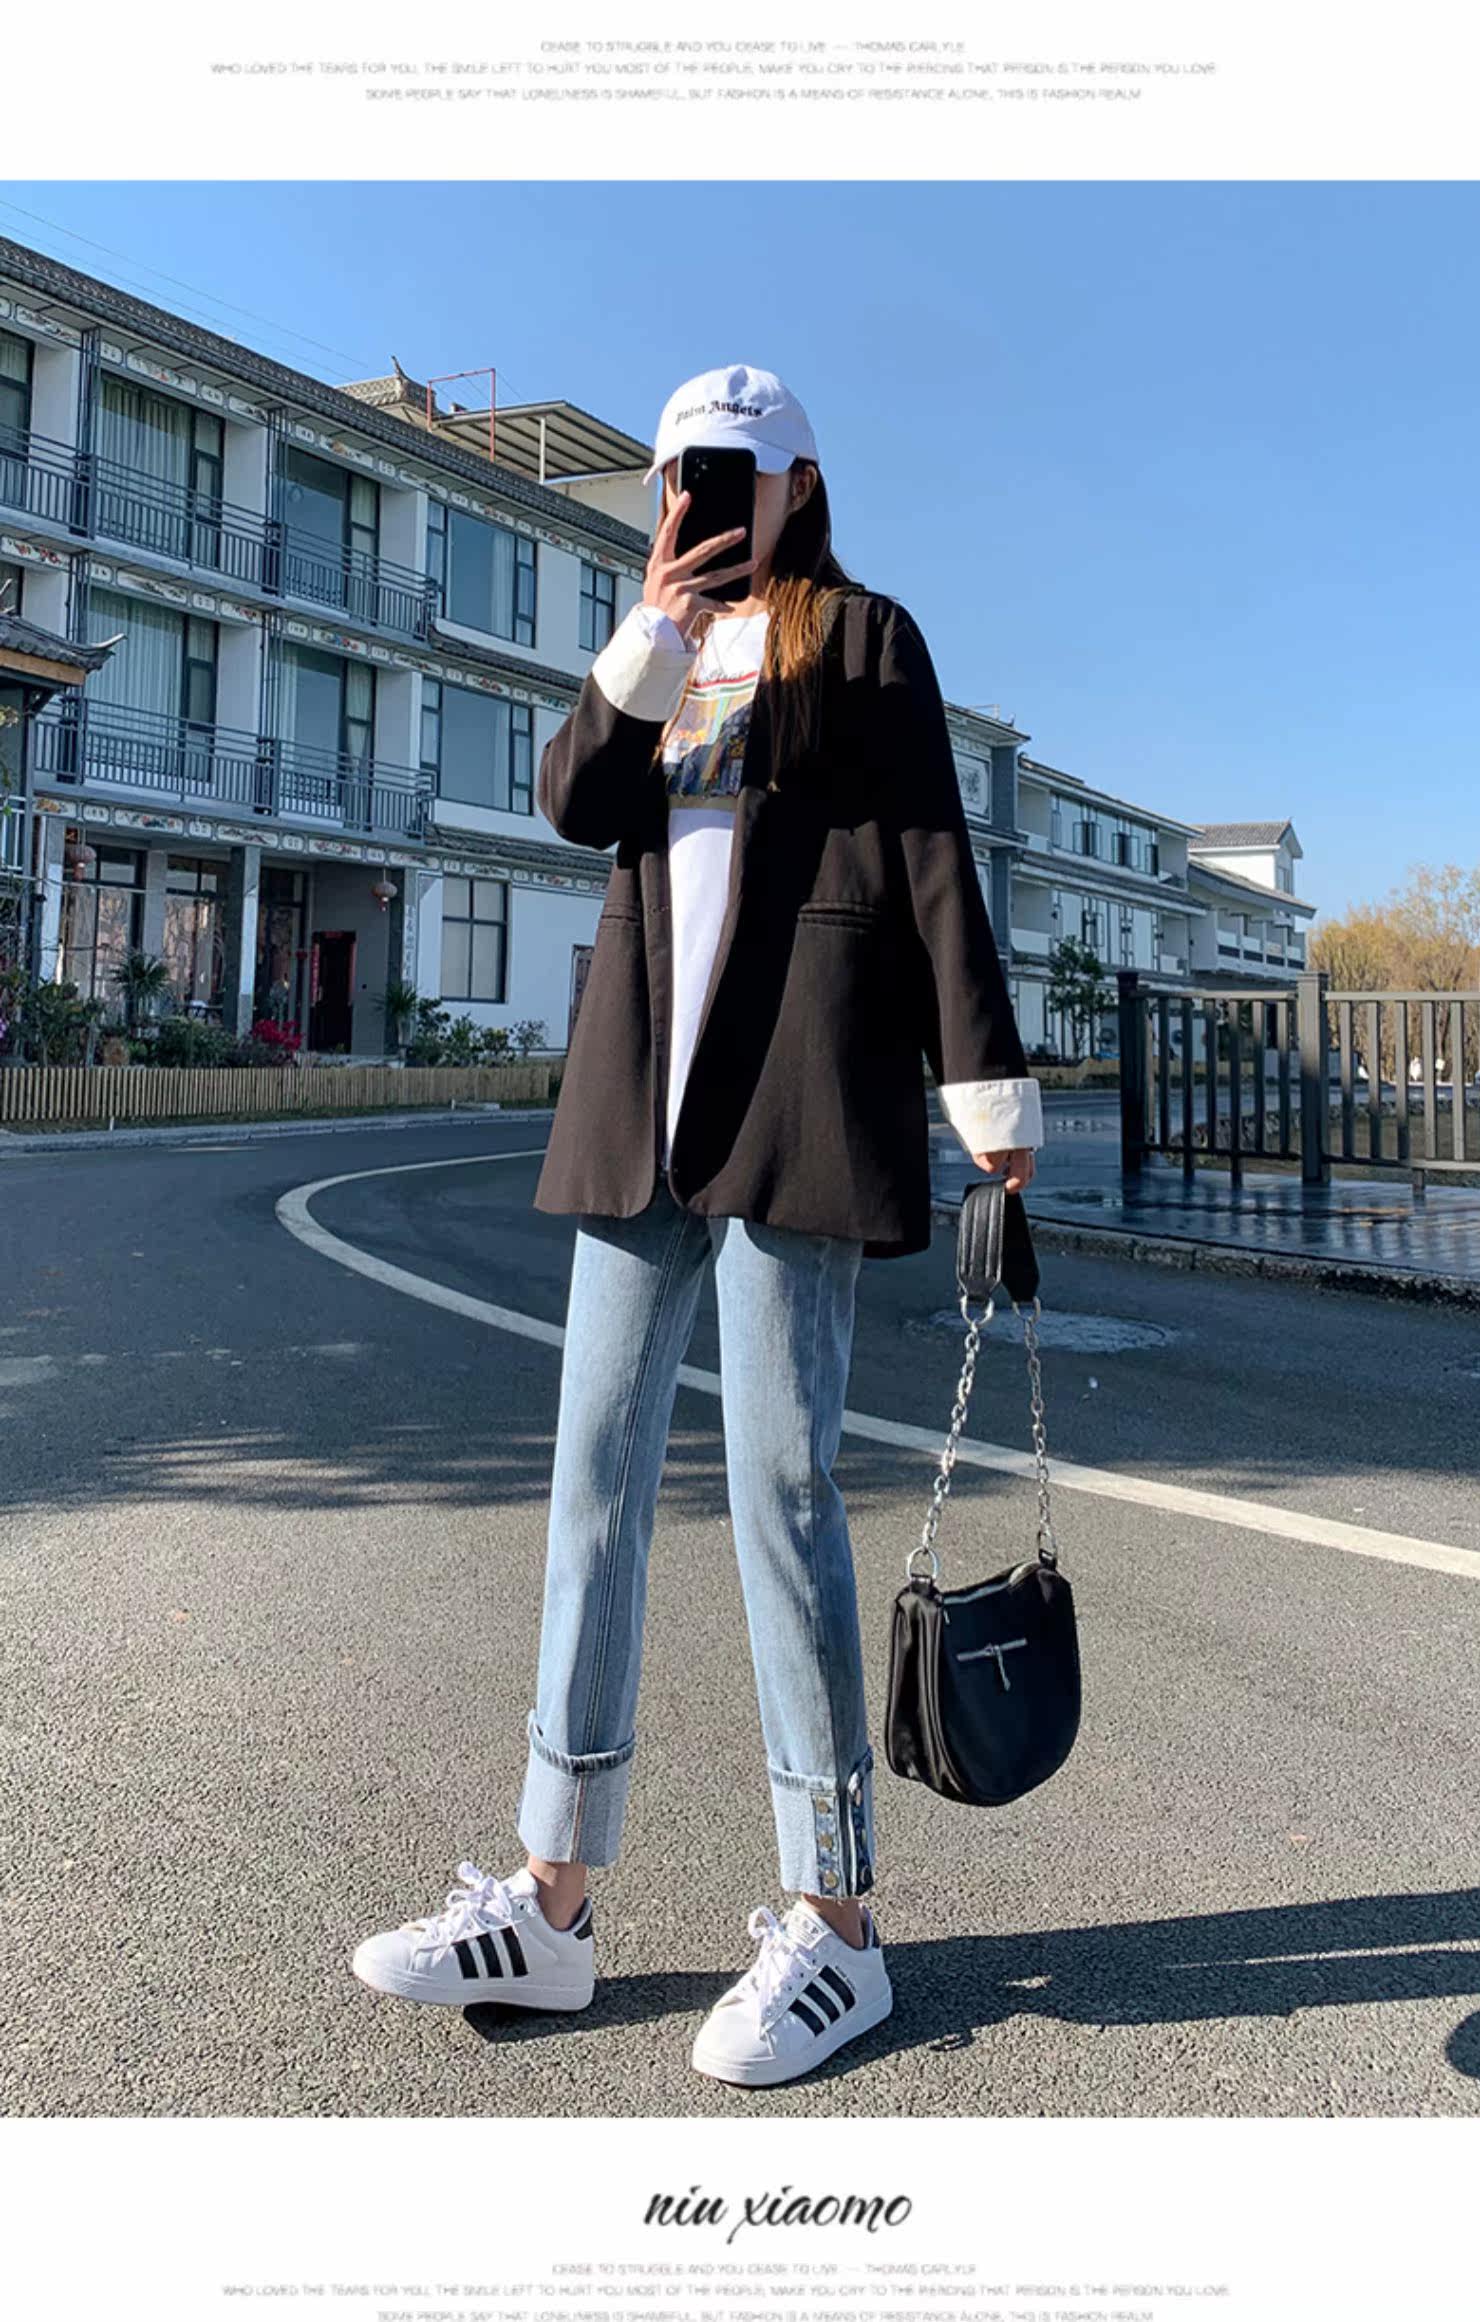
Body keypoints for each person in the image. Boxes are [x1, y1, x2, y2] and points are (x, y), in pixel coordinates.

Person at [352, 364, 1043, 2087]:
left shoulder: (865, 640)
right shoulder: (658, 646)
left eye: (724, 472)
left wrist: (986, 1089)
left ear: (795, 484)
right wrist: (647, 632)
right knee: (591, 1483)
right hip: (640, 1115)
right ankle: (551, 1902)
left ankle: (839, 1923)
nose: (692, 497)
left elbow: (934, 860)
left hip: (795, 1104)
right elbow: (573, 799)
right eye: (673, 473)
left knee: (782, 1495)